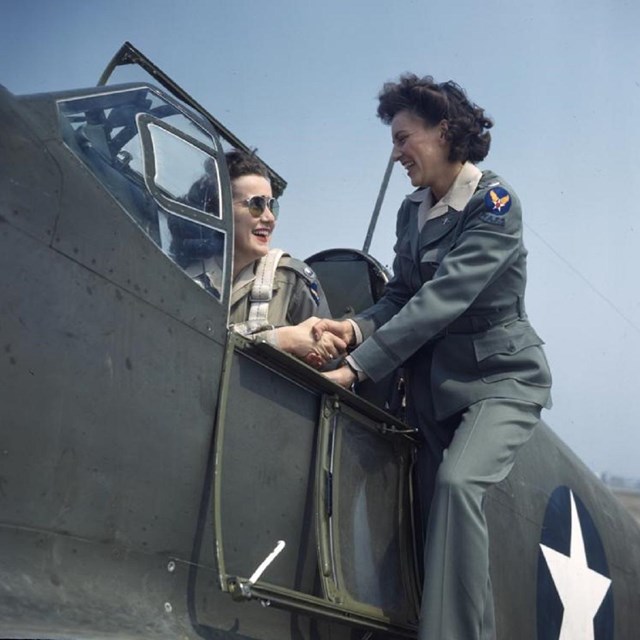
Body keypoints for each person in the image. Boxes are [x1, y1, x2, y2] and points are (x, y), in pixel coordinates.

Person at [313, 74, 552, 640]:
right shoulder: (411, 211)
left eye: (403, 138)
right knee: (419, 508)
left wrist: (358, 365)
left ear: (444, 132)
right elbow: (399, 295)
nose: (395, 153)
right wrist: (350, 327)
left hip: (501, 378)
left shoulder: (494, 203)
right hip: (434, 386)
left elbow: (441, 299)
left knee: (458, 485)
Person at [203, 149, 343, 361]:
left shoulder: (291, 281)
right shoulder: (183, 273)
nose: (269, 218)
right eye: (256, 205)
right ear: (220, 210)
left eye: (271, 206)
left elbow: (332, 366)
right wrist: (282, 339)